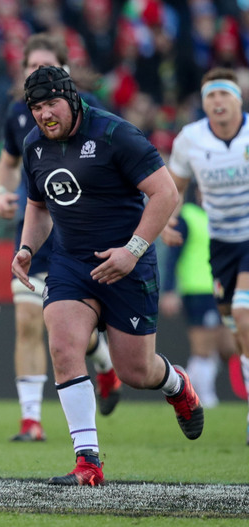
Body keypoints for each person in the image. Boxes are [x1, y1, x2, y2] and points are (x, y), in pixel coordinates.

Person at [13, 65, 203, 486]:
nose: (45, 115)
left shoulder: (115, 134)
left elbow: (166, 192)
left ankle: (176, 384)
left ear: (72, 98)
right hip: (70, 262)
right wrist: (27, 248)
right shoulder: (34, 145)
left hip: (128, 262)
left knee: (137, 372)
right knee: (63, 347)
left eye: (52, 104)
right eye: (37, 107)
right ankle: (88, 463)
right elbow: (39, 205)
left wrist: (133, 251)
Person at [0, 33, 121, 442]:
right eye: (32, 67)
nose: (39, 74)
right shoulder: (19, 114)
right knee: (29, 322)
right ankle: (30, 419)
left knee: (70, 335)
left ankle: (101, 360)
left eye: (48, 66)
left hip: (81, 239)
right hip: (34, 234)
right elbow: (8, 162)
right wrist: (1, 191)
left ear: (66, 72)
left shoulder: (93, 113)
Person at [163, 67, 249, 443]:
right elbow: (172, 187)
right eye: (210, 95)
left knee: (244, 316)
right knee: (236, 333)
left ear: (238, 100)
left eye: (224, 95)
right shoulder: (190, 140)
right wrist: (167, 219)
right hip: (221, 245)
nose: (217, 102)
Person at [160, 189, 237, 408]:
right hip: (198, 289)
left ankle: (197, 389)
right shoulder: (188, 216)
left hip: (222, 289)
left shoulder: (222, 217)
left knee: (228, 345)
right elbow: (172, 256)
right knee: (203, 346)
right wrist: (169, 290)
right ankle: (200, 396)